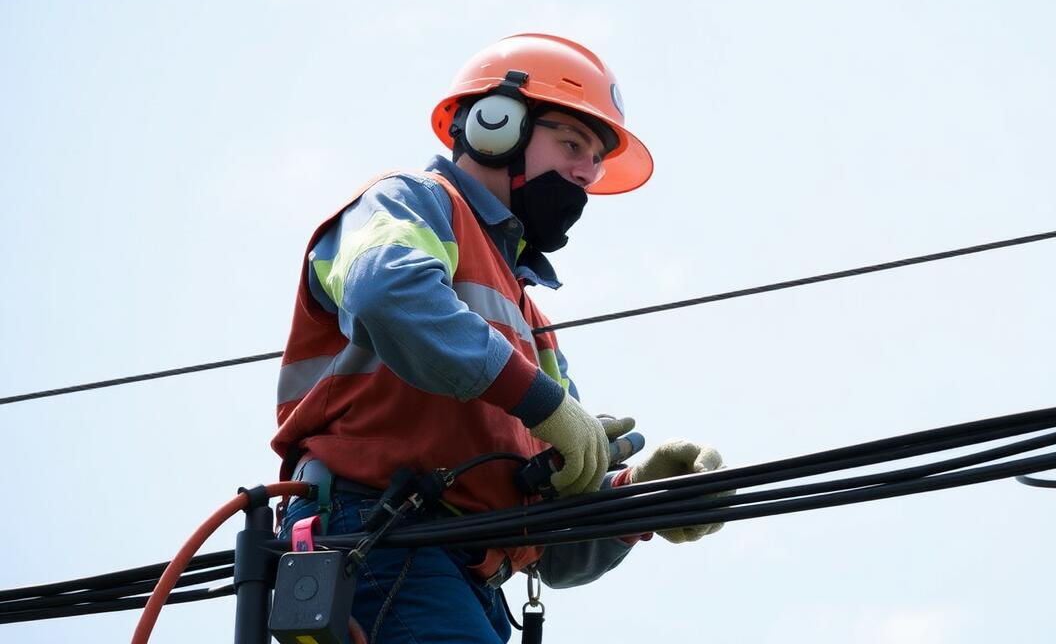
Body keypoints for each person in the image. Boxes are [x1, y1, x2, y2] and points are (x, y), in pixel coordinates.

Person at [271, 33, 728, 643]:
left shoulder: (529, 319)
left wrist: (632, 499)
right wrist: (544, 405)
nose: (586, 172)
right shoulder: (413, 203)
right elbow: (388, 293)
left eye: (594, 160)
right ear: (495, 125)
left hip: (459, 572)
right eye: (572, 143)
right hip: (374, 536)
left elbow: (552, 548)